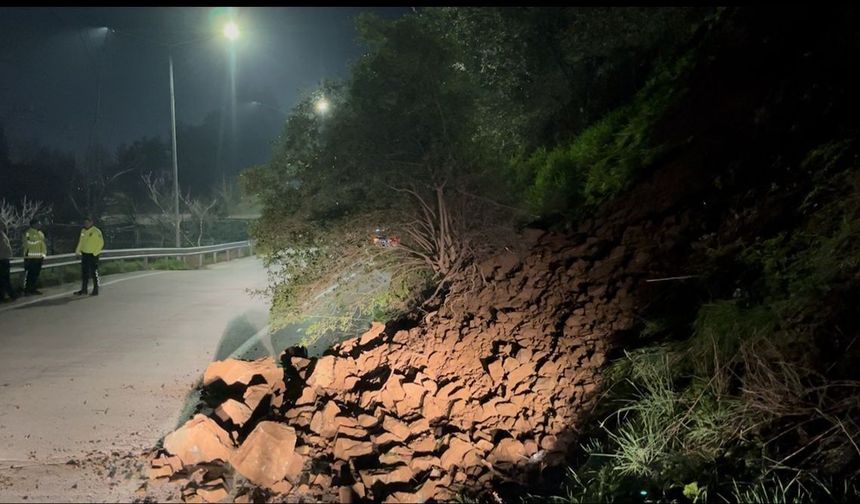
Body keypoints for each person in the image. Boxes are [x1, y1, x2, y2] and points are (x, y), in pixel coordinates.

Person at [74, 217, 104, 296]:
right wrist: (77, 252)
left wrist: (95, 253)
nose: (86, 224)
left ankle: (96, 289)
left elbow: (101, 243)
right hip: (85, 254)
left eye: (88, 222)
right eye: (85, 223)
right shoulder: (83, 231)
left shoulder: (96, 231)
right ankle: (84, 290)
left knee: (94, 272)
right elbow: (81, 242)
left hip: (93, 255)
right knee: (84, 273)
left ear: (91, 222)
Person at [22, 220, 47, 295]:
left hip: (39, 257)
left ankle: (33, 289)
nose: (40, 225)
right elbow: (27, 244)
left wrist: (43, 255)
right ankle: (27, 290)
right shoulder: (28, 233)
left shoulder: (40, 233)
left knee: (36, 274)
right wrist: (26, 257)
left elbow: (42, 244)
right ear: (33, 224)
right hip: (31, 257)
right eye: (38, 224)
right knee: (30, 274)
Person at [0, 222, 18, 303]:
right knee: (4, 279)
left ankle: (10, 294)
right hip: (4, 258)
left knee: (3, 279)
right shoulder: (3, 236)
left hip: (3, 259)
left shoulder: (2, 235)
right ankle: (7, 295)